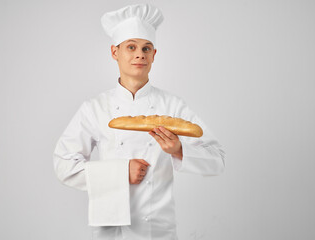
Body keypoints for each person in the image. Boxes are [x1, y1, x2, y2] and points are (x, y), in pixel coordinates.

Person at [53, 3, 225, 240]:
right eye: (131, 47)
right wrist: (121, 172)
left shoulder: (172, 106)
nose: (139, 55)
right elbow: (63, 165)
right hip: (110, 232)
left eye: (146, 48)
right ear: (115, 52)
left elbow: (217, 159)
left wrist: (179, 150)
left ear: (154, 55)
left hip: (158, 230)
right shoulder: (95, 108)